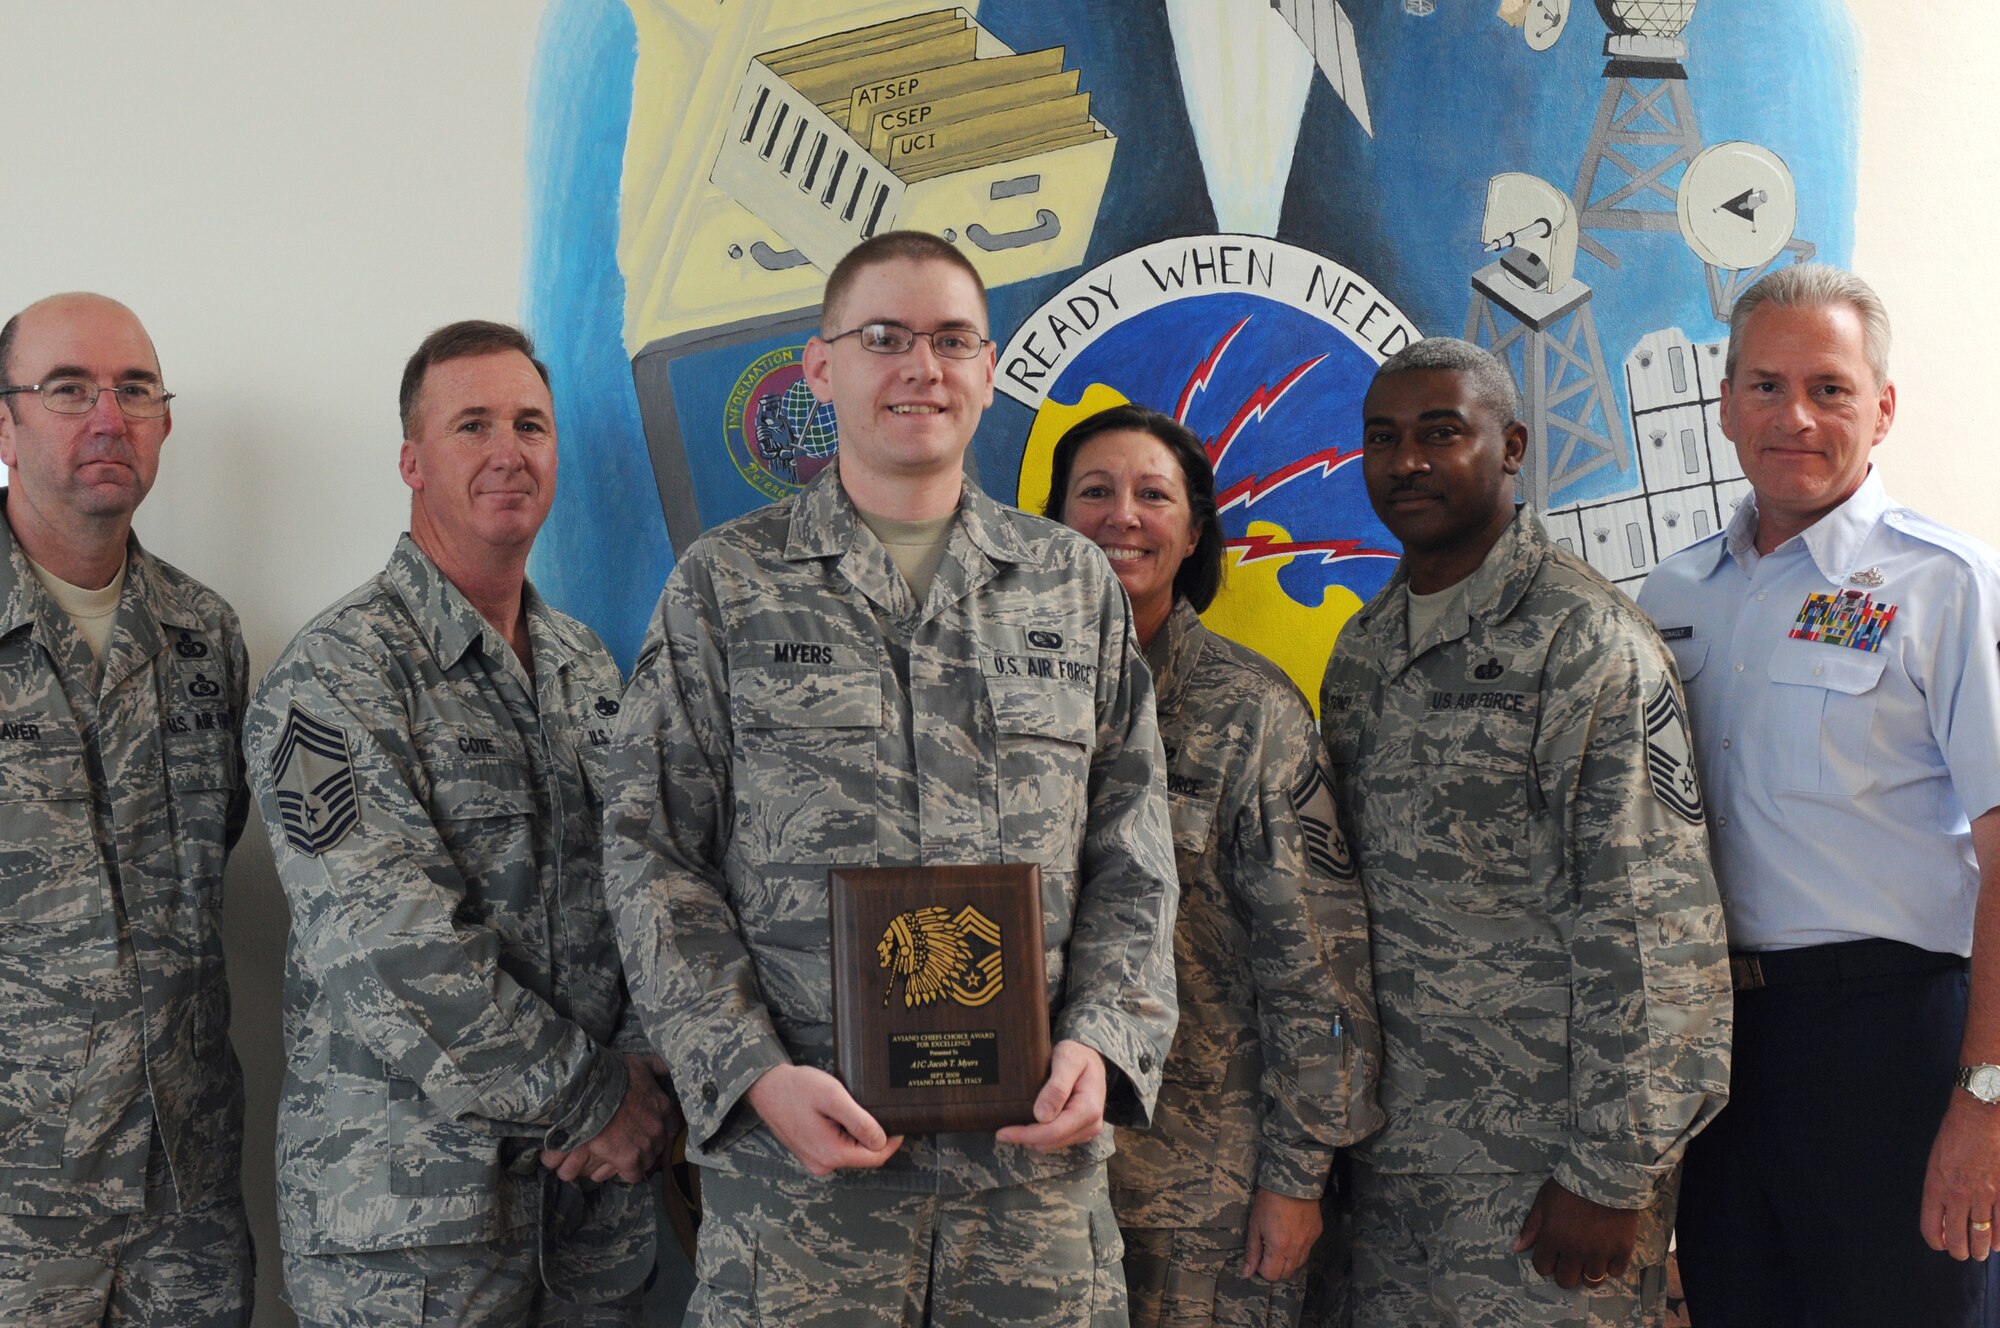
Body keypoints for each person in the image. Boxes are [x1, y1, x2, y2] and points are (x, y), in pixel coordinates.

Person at [603, 230, 1180, 1326]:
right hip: (802, 1195)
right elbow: (651, 851)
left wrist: (1102, 1040)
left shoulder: (1068, 587)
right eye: (884, 337)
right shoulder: (725, 586)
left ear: (989, 367)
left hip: (1029, 1196)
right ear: (820, 368)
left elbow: (1132, 853)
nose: (922, 366)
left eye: (952, 339)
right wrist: (752, 1070)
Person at [245, 320, 674, 1326]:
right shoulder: (334, 676)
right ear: (412, 459)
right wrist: (595, 1101)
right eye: (471, 423)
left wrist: (645, 1068)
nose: (506, 450)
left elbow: (646, 878)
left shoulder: (584, 665)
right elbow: (391, 946)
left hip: (590, 1221)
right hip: (413, 1239)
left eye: (530, 423)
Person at [1317, 337, 1730, 1326]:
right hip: (1393, 1171)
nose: (1406, 460)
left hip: (1545, 1171)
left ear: (1509, 446)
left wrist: (1611, 1169)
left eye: (1438, 433)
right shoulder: (1364, 651)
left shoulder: (1581, 644)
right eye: (1382, 438)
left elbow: (1652, 926)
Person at [1638, 265, 2000, 1325]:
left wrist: (1982, 1097)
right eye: (1762, 384)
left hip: (1887, 1042)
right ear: (1722, 403)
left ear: (1880, 408)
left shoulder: (1943, 584)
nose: (1791, 415)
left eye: (1828, 388)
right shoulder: (1672, 593)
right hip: (1716, 1053)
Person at [1042, 403, 1383, 1326]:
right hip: (1021, 1184)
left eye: (1153, 495)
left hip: (1201, 1194)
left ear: (1194, 533)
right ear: (1050, 522)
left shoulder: (1252, 713)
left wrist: (1297, 1176)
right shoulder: (1002, 702)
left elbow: (1318, 962)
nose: (1123, 516)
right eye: (1095, 492)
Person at [0, 293, 253, 1324]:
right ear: (3, 421)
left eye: (135, 389)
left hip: (183, 1193)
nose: (109, 416)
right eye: (68, 389)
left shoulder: (204, 635)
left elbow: (220, 845)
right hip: (17, 1205)